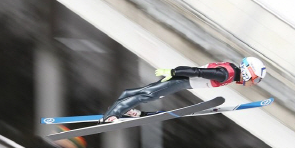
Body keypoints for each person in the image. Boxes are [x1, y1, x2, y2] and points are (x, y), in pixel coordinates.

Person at [102, 57, 266, 122]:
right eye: (255, 79)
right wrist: (173, 72)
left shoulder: (230, 70)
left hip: (183, 79)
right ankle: (112, 114)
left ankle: (121, 106)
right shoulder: (225, 74)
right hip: (183, 79)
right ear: (247, 72)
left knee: (147, 92)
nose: (254, 83)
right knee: (148, 95)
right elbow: (198, 71)